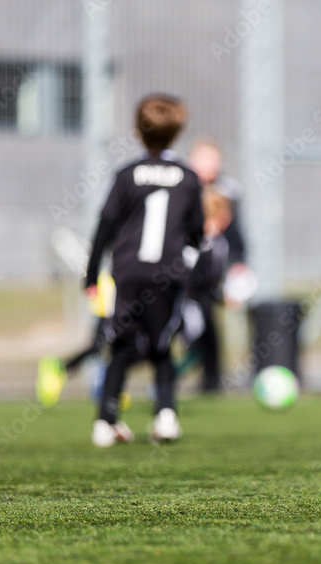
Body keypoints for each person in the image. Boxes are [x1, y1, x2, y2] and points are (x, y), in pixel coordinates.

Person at [84, 93, 204, 447]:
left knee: (120, 345)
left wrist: (91, 274)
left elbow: (104, 226)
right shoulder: (188, 177)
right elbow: (197, 230)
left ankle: (106, 422)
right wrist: (191, 255)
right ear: (177, 132)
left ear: (137, 131)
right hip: (167, 275)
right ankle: (165, 415)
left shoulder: (126, 175)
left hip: (128, 272)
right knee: (162, 344)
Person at [187, 139, 249, 393]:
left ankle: (212, 380)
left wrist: (238, 264)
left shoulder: (228, 191)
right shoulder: (184, 188)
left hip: (210, 271)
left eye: (213, 161)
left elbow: (236, 234)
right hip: (183, 270)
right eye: (203, 160)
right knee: (190, 328)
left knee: (209, 325)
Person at [35, 270, 116, 408]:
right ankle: (61, 369)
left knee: (104, 349)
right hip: (109, 310)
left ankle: (113, 389)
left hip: (111, 309)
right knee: (99, 348)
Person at [178, 188, 233, 378]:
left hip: (205, 302)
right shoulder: (196, 241)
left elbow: (214, 277)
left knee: (210, 344)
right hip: (190, 302)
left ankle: (212, 383)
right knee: (197, 346)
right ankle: (166, 379)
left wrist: (220, 295)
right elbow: (190, 274)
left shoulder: (218, 242)